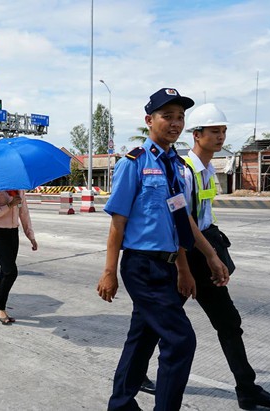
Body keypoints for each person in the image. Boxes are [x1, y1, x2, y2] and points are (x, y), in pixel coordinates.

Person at [139, 104, 270, 410]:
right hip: (186, 256)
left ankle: (247, 389)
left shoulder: (209, 170)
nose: (221, 136)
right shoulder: (184, 171)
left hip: (205, 250)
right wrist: (208, 257)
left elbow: (203, 215)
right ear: (197, 135)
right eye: (214, 131)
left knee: (228, 321)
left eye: (223, 131)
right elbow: (183, 221)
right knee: (157, 324)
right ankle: (137, 374)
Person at [96, 88, 221, 411]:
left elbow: (181, 220)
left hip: (167, 266)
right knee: (181, 341)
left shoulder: (177, 167)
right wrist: (109, 272)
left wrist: (189, 265)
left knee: (141, 340)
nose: (175, 123)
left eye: (180, 117)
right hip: (141, 265)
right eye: (168, 116)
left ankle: (120, 404)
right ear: (149, 120)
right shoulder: (134, 164)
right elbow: (117, 224)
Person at [0, 189, 37, 325]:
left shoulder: (19, 190)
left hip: (13, 235)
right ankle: (0, 307)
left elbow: (24, 214)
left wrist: (30, 236)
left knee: (5, 273)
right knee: (10, 272)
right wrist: (10, 205)